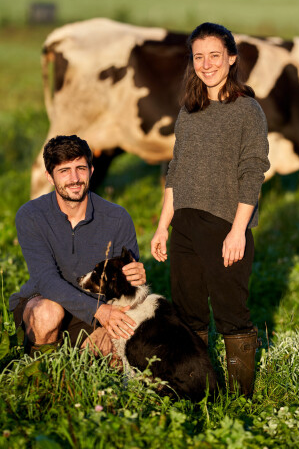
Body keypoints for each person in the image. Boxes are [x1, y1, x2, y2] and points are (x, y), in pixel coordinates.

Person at [151, 22, 269, 396]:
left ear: (231, 58)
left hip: (224, 227)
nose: (207, 64)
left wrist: (238, 230)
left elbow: (253, 171)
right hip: (184, 225)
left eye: (215, 56)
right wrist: (161, 226)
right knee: (188, 316)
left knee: (232, 315)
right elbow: (177, 170)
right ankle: (196, 390)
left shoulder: (248, 110)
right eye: (199, 57)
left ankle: (240, 399)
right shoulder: (189, 110)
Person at [9, 135, 146, 357]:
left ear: (91, 171)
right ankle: (40, 373)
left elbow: (124, 284)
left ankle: (80, 369)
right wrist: (99, 311)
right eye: (64, 171)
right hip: (45, 301)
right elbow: (46, 281)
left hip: (94, 311)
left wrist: (135, 275)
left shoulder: (117, 217)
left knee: (123, 345)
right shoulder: (31, 215)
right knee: (48, 313)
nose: (74, 178)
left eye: (80, 168)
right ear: (50, 177)